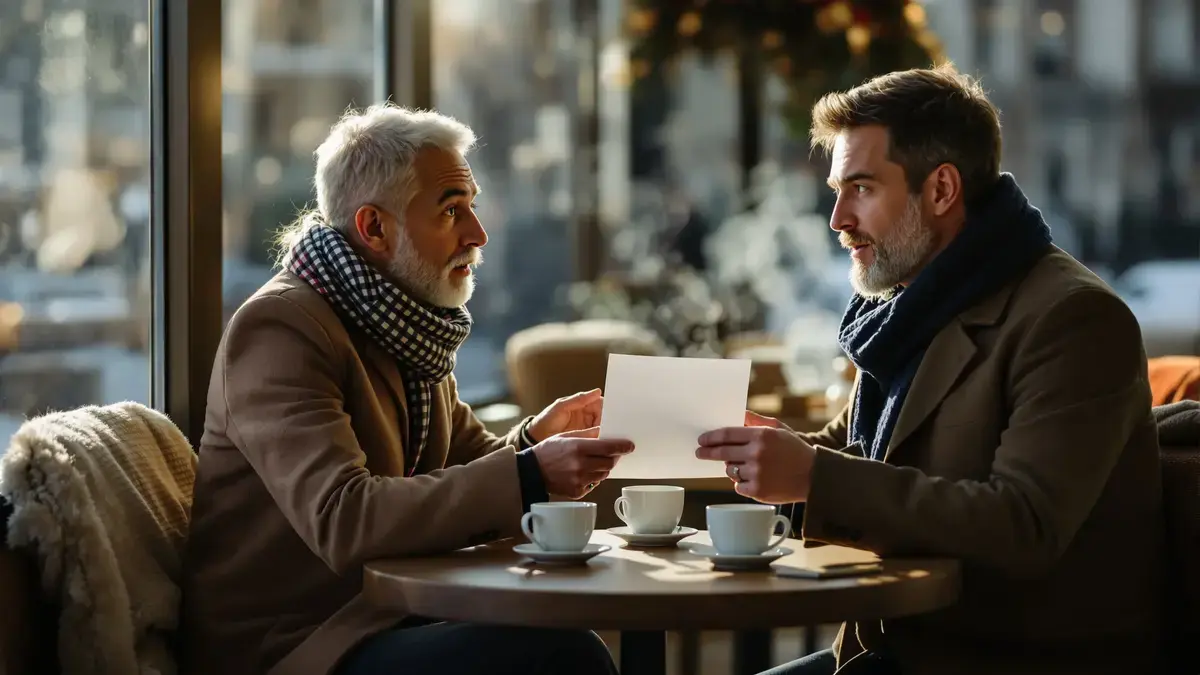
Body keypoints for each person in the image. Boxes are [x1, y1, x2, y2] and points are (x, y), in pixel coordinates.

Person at [696, 64, 1165, 675]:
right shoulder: (915, 304)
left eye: (861, 188)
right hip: (899, 650)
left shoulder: (1074, 318)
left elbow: (1023, 525)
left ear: (941, 190)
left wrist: (811, 474)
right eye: (837, 189)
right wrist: (731, 445)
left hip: (1008, 660)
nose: (838, 218)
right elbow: (850, 455)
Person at [180, 104, 632, 675]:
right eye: (451, 211)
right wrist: (531, 472)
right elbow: (344, 518)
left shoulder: (399, 320)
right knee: (563, 655)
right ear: (373, 228)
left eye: (472, 206)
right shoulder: (281, 328)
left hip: (387, 613)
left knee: (559, 635)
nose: (478, 233)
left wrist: (535, 440)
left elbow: (469, 462)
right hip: (298, 649)